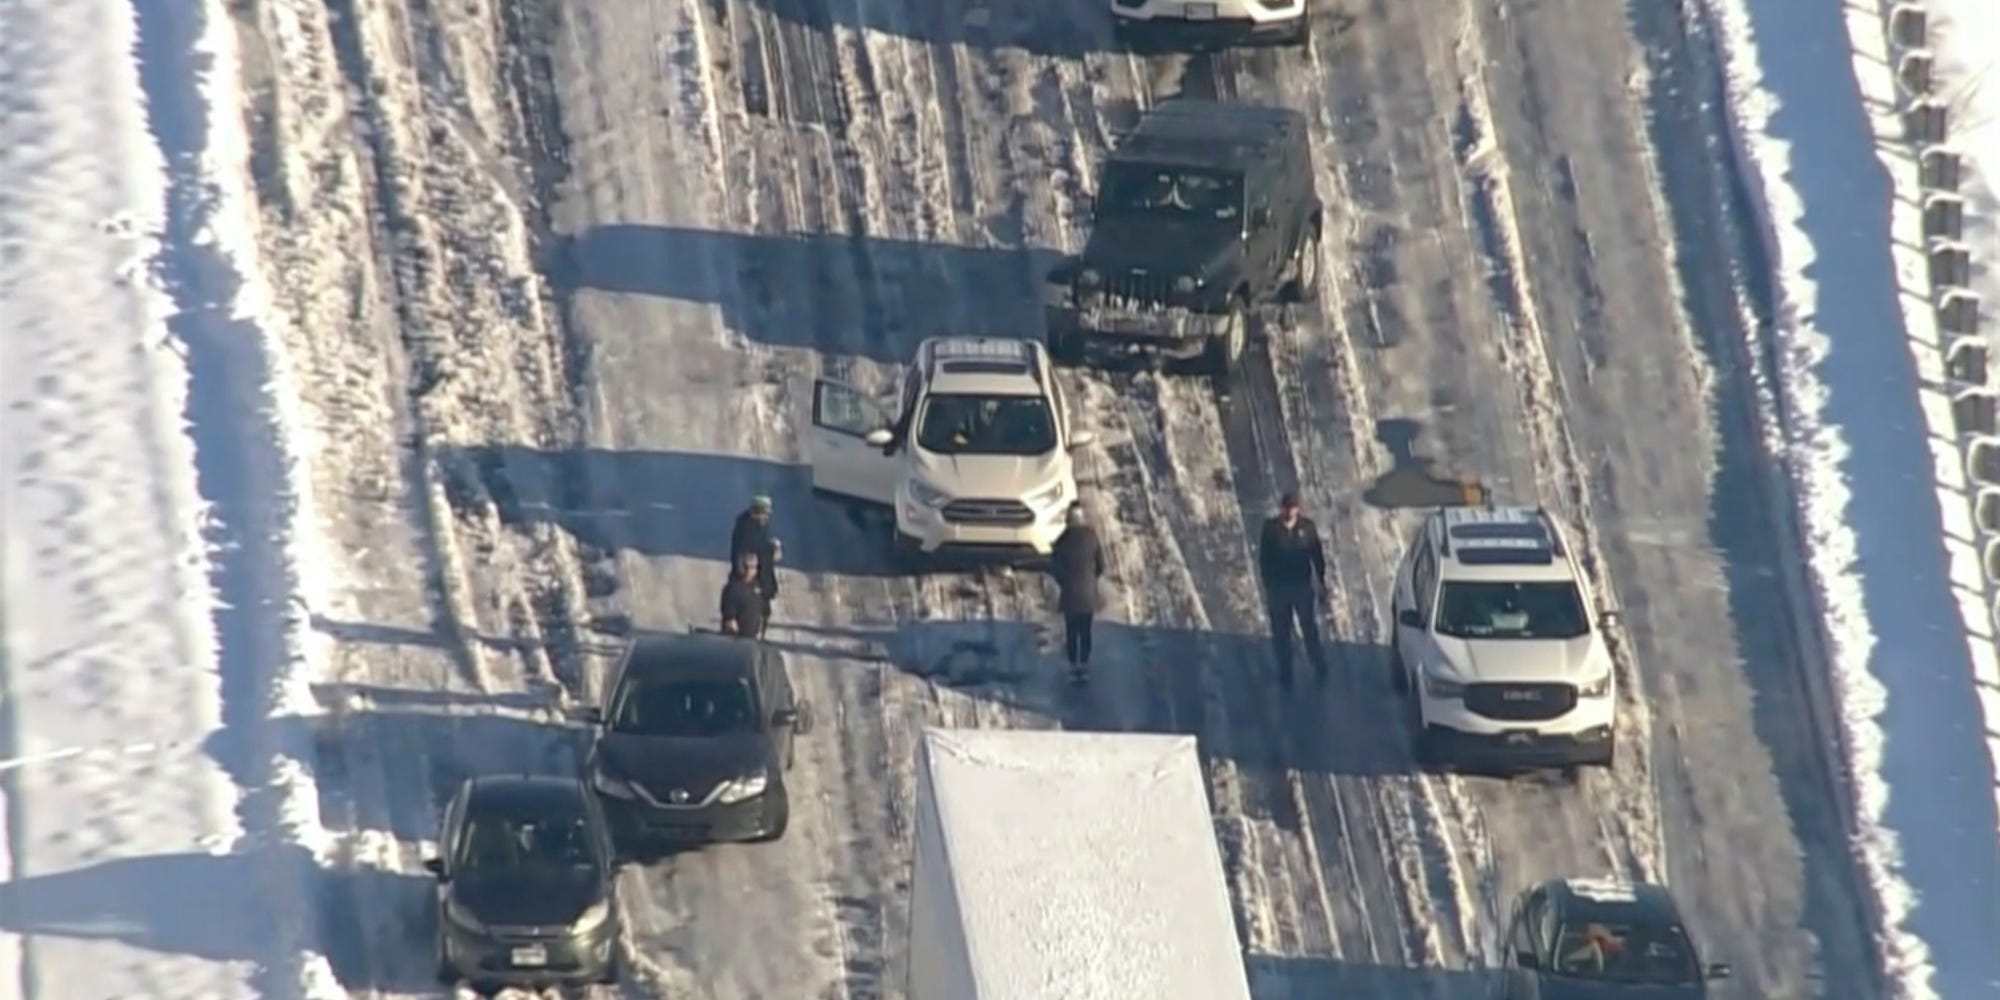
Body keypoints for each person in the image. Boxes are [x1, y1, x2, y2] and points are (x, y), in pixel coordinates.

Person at [1257, 492, 1330, 685]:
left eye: (1293, 508)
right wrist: (1269, 584)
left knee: (1309, 629)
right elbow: (1264, 559)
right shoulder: (1271, 529)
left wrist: (1321, 582)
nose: (1289, 511)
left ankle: (1319, 666)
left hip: (1302, 587)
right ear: (1282, 508)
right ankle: (1285, 672)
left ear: (1297, 509)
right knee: (1281, 632)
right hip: (1279, 589)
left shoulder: (1307, 528)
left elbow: (1317, 555)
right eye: (1286, 508)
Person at [1049, 503, 1105, 683]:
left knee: (1072, 631)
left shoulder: (1063, 540)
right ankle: (1085, 663)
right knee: (1085, 630)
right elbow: (1101, 566)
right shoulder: (1092, 537)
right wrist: (1091, 579)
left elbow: (1055, 568)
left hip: (1070, 595)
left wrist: (1063, 582)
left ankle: (1074, 666)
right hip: (1088, 593)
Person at [729, 494, 782, 611]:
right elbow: (741, 553)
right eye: (765, 514)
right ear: (757, 512)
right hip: (748, 582)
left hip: (759, 581)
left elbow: (761, 547)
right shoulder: (745, 528)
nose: (767, 517)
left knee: (762, 611)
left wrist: (773, 548)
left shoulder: (759, 526)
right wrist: (744, 573)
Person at [719, 552, 771, 639]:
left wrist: (761, 630)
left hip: (753, 637)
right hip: (735, 638)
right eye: (746, 567)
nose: (749, 571)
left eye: (753, 567)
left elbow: (763, 609)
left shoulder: (758, 588)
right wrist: (731, 624)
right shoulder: (732, 588)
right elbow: (729, 615)